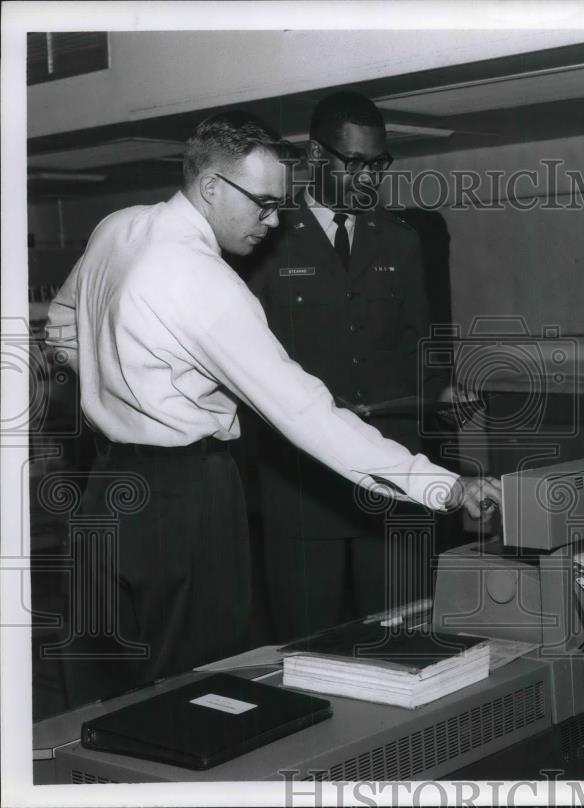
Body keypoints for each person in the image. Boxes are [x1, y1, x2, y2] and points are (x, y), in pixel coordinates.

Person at [45, 111, 499, 702]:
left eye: (278, 204)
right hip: (188, 496)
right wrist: (441, 485)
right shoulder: (207, 283)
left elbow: (60, 326)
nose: (271, 220)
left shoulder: (119, 227)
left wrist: (122, 382)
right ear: (210, 187)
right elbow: (306, 413)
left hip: (107, 486)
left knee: (106, 684)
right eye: (261, 203)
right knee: (199, 690)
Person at [230, 92, 467, 638]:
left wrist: (437, 398)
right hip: (301, 490)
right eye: (353, 162)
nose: (367, 177)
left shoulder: (402, 241)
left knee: (403, 638)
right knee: (306, 643)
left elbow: (424, 350)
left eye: (377, 164)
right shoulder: (267, 240)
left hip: (391, 490)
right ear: (316, 156)